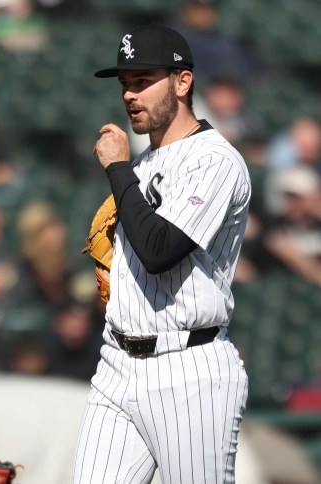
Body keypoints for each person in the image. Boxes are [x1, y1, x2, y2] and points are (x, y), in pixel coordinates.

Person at [74, 24, 251, 484]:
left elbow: (160, 251)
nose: (130, 94)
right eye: (125, 84)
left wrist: (115, 167)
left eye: (142, 80)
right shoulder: (143, 164)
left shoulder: (214, 160)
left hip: (188, 370)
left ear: (182, 81)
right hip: (117, 362)